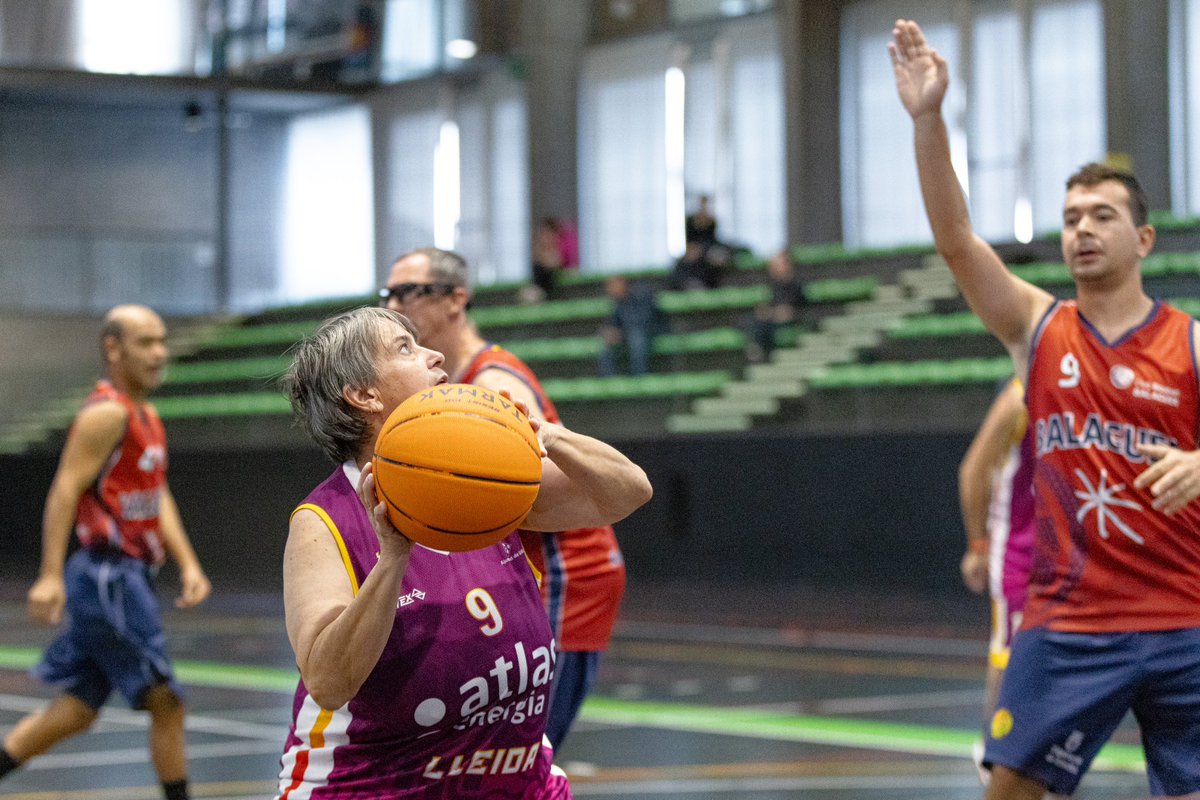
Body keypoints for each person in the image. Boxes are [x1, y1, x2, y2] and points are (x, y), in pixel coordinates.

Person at [892, 19, 1200, 799]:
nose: (1082, 230)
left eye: (1101, 215)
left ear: (1145, 237)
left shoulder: (1191, 344)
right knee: (1009, 792)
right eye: (1070, 218)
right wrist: (929, 121)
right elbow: (958, 241)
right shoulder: (1038, 327)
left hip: (1186, 620)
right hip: (1067, 626)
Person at [276, 307, 651, 797]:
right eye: (404, 348)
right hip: (373, 787)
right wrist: (392, 560)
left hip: (519, 783)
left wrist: (547, 434)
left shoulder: (484, 482)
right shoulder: (324, 521)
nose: (434, 355)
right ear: (364, 395)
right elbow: (328, 679)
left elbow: (628, 493)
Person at [383, 248, 630, 751]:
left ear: (456, 300)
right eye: (388, 293)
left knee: (523, 751)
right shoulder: (450, 386)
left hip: (566, 575)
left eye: (408, 292)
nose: (394, 305)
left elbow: (535, 483)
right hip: (525, 574)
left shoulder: (494, 381)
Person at [0, 304, 211, 800]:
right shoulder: (106, 413)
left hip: (130, 574)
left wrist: (188, 562)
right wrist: (49, 574)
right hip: (105, 578)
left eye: (162, 341)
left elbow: (157, 495)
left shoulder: (147, 416)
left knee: (77, 709)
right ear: (112, 349)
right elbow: (64, 490)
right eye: (146, 343)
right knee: (167, 702)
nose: (160, 353)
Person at [957, 378, 1035, 779]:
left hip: (1070, 551)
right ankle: (994, 750)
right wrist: (977, 544)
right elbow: (973, 468)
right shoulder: (1019, 398)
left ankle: (1044, 743)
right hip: (1019, 550)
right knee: (1007, 650)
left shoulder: (1089, 389)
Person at [598, 274, 667, 377]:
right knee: (606, 342)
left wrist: (622, 333)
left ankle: (639, 379)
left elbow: (645, 321)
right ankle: (609, 382)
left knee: (637, 339)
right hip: (629, 334)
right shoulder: (618, 302)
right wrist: (611, 331)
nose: (610, 290)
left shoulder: (642, 294)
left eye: (613, 286)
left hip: (653, 331)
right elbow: (614, 323)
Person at [745, 250, 807, 363]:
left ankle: (761, 353)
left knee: (764, 325)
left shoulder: (796, 286)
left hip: (791, 321)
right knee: (754, 321)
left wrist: (772, 313)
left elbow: (789, 312)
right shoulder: (774, 286)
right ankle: (757, 351)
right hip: (773, 319)